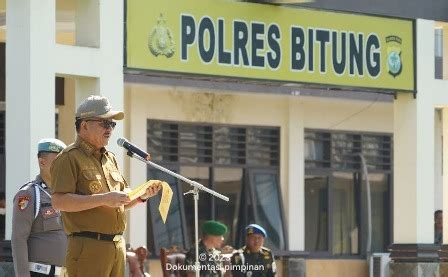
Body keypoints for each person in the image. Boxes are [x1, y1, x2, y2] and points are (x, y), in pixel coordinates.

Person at [50, 95, 163, 277]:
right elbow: (58, 201)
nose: (109, 129)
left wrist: (141, 196)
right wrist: (103, 199)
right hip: (88, 247)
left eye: (112, 124)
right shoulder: (69, 158)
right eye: (104, 123)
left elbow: (120, 202)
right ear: (84, 124)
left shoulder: (110, 159)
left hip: (116, 247)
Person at [12, 138, 67, 277]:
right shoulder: (28, 194)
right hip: (39, 273)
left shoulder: (67, 195)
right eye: (58, 161)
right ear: (42, 162)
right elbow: (19, 239)